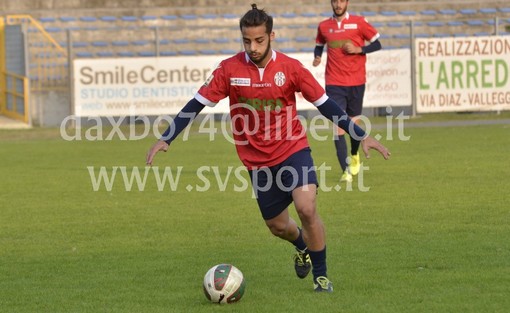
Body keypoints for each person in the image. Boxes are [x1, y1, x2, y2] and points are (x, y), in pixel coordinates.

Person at [146, 3, 390, 293]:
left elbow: (325, 105)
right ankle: (301, 245)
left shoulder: (290, 69)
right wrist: (167, 137)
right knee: (277, 226)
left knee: (307, 208)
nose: (253, 47)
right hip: (256, 161)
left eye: (259, 40)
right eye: (247, 41)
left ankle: (321, 277)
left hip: (293, 148)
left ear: (271, 36)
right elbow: (196, 103)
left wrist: (360, 135)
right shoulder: (229, 69)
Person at [313, 0, 383, 183]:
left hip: (356, 81)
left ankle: (354, 154)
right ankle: (345, 170)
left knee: (353, 124)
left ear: (347, 2)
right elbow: (319, 44)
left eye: (341, 0)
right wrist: (317, 56)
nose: (338, 4)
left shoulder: (359, 22)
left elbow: (377, 44)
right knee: (338, 124)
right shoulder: (324, 26)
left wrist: (359, 49)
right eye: (335, 1)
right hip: (334, 82)